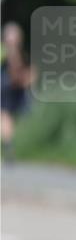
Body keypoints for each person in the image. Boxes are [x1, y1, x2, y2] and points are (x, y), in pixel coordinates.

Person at [1, 22, 32, 160]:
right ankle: (8, 147)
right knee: (6, 117)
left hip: (11, 87)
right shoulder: (13, 52)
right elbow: (16, 70)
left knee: (7, 118)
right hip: (7, 86)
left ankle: (7, 145)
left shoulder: (12, 51)